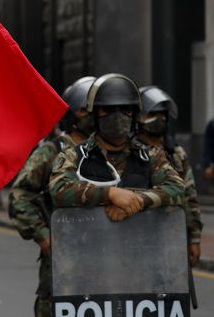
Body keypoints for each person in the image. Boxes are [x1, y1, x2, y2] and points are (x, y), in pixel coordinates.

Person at [9, 76, 95, 317]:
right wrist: (43, 236)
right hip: (63, 261)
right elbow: (20, 195)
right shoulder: (52, 151)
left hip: (107, 259)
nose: (91, 116)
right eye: (84, 110)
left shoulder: (110, 153)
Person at [49, 73, 184, 219]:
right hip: (88, 239)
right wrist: (110, 194)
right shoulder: (75, 155)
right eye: (108, 110)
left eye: (125, 109)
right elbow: (59, 189)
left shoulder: (151, 156)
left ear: (133, 115)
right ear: (94, 114)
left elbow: (176, 187)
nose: (117, 116)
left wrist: (137, 201)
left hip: (142, 239)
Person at [136, 85, 203, 266]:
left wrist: (195, 238)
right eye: (152, 115)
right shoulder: (131, 151)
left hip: (172, 233)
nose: (159, 119)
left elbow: (189, 195)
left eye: (162, 115)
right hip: (136, 235)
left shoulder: (175, 152)